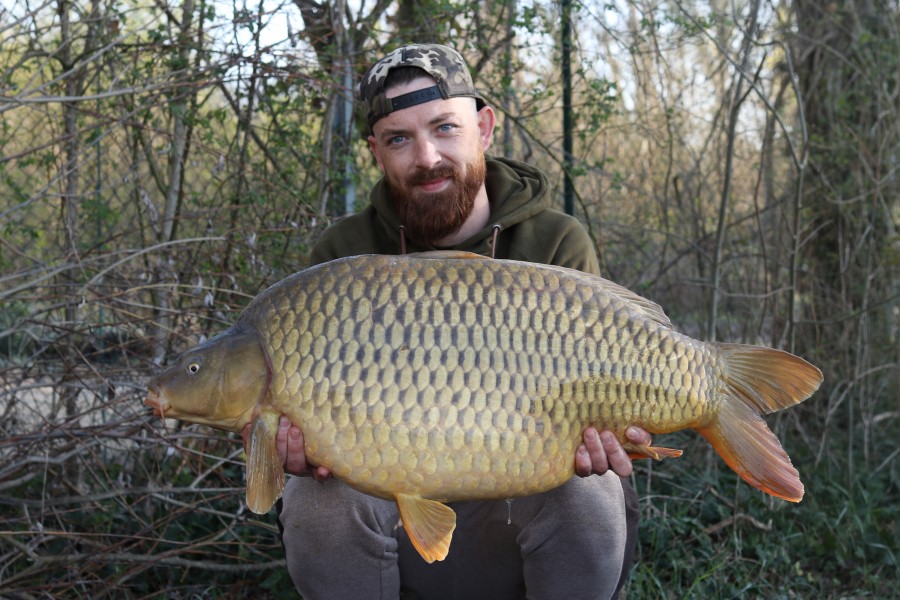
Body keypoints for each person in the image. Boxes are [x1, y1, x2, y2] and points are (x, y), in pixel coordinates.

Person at [246, 43, 652, 600]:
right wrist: (291, 446)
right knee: (318, 495)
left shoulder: (554, 244)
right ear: (375, 152)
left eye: (444, 128)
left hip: (518, 506)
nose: (427, 156)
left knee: (591, 488)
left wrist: (610, 435)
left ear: (483, 127)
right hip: (391, 519)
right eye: (399, 139)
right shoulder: (344, 254)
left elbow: (598, 399)